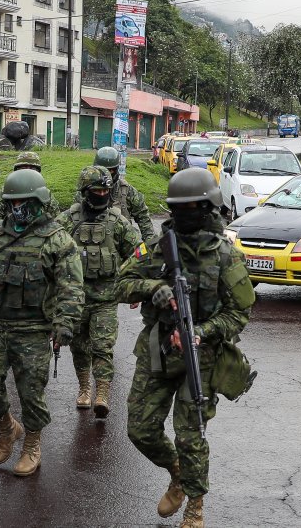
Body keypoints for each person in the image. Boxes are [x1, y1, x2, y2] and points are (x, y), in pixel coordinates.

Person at [116, 168, 256, 528]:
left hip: (202, 356)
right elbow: (121, 283)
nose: (185, 215)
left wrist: (203, 331)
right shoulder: (158, 248)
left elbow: (240, 312)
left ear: (210, 207)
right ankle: (177, 471)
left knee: (191, 434)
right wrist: (153, 289)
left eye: (193, 208)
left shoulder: (226, 255)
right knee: (140, 429)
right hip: (158, 349)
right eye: (179, 209)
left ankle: (195, 505)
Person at [0, 168, 83, 477]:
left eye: (23, 202)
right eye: (12, 203)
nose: (17, 208)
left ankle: (32, 444)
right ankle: (6, 427)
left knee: (30, 392)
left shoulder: (57, 239)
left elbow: (71, 287)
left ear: (39, 201)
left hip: (32, 329)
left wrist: (64, 324)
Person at [57, 166, 141, 418]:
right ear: (85, 191)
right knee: (79, 346)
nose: (102, 194)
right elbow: (50, 251)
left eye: (106, 190)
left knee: (102, 347)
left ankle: (102, 393)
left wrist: (133, 284)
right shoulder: (68, 220)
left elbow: (139, 253)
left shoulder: (117, 221)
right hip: (75, 298)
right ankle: (84, 388)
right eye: (96, 190)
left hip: (106, 297)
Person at [91, 146, 156, 243]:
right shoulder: (87, 191)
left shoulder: (126, 190)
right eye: (105, 171)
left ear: (117, 169)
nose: (109, 174)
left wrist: (150, 244)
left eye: (112, 170)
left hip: (121, 246)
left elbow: (143, 218)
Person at [0, 151, 61, 228]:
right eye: (23, 168)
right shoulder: (7, 191)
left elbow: (56, 218)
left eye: (32, 168)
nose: (27, 171)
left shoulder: (43, 192)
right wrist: (6, 232)